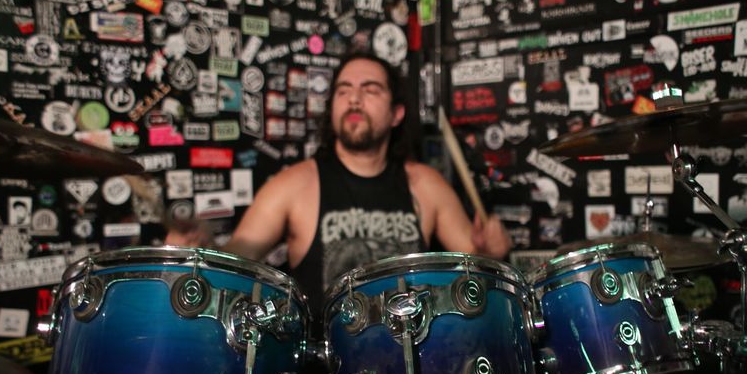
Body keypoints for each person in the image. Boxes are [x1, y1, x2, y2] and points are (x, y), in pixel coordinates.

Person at [166, 53, 511, 308]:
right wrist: (198, 251)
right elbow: (234, 261)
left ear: (396, 114)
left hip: (413, 362)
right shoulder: (294, 185)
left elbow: (475, 277)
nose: (354, 99)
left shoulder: (427, 185)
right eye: (343, 90)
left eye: (370, 89)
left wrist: (491, 253)